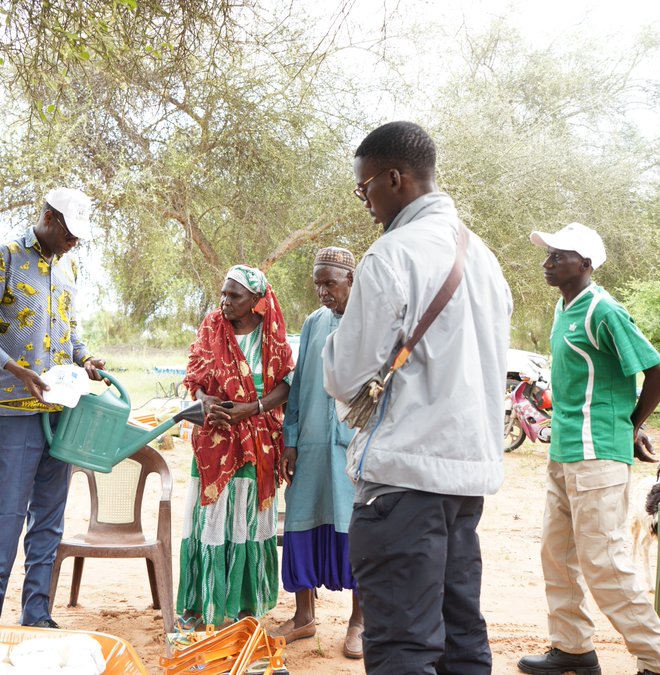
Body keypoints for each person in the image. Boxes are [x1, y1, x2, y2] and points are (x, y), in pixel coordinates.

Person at [324, 121, 512, 674]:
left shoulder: (392, 255)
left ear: (394, 179)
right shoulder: (485, 259)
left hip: (402, 484)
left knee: (403, 646)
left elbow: (344, 374)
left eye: (364, 188)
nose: (364, 202)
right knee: (461, 640)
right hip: (464, 484)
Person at [519, 222, 660, 675]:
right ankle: (572, 649)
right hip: (564, 452)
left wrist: (631, 425)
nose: (547, 263)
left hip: (598, 456)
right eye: (548, 254)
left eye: (559, 256)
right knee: (557, 554)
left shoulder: (603, 309)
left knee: (605, 564)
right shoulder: (564, 307)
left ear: (586, 264)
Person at [0, 187, 106, 629]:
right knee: (6, 516)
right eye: (69, 233)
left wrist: (85, 358)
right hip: (12, 410)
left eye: (78, 237)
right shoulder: (2, 258)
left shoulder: (67, 268)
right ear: (48, 217)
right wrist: (16, 370)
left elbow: (69, 331)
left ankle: (37, 615)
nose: (73, 242)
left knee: (50, 519)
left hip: (60, 413)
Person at [176, 264, 294, 629]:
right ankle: (203, 605)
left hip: (257, 443)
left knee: (246, 520)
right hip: (214, 442)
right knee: (210, 520)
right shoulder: (212, 326)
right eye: (223, 294)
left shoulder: (271, 334)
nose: (225, 301)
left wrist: (252, 408)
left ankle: (244, 606)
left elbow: (287, 383)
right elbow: (195, 376)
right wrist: (206, 401)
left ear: (256, 300)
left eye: (235, 295)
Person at [271, 247, 362, 659]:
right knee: (301, 521)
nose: (323, 291)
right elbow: (300, 384)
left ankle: (360, 622)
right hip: (309, 443)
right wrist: (290, 440)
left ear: (351, 280)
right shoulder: (313, 323)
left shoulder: (370, 321)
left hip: (353, 447)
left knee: (356, 529)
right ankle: (304, 616)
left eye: (330, 283)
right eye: (317, 284)